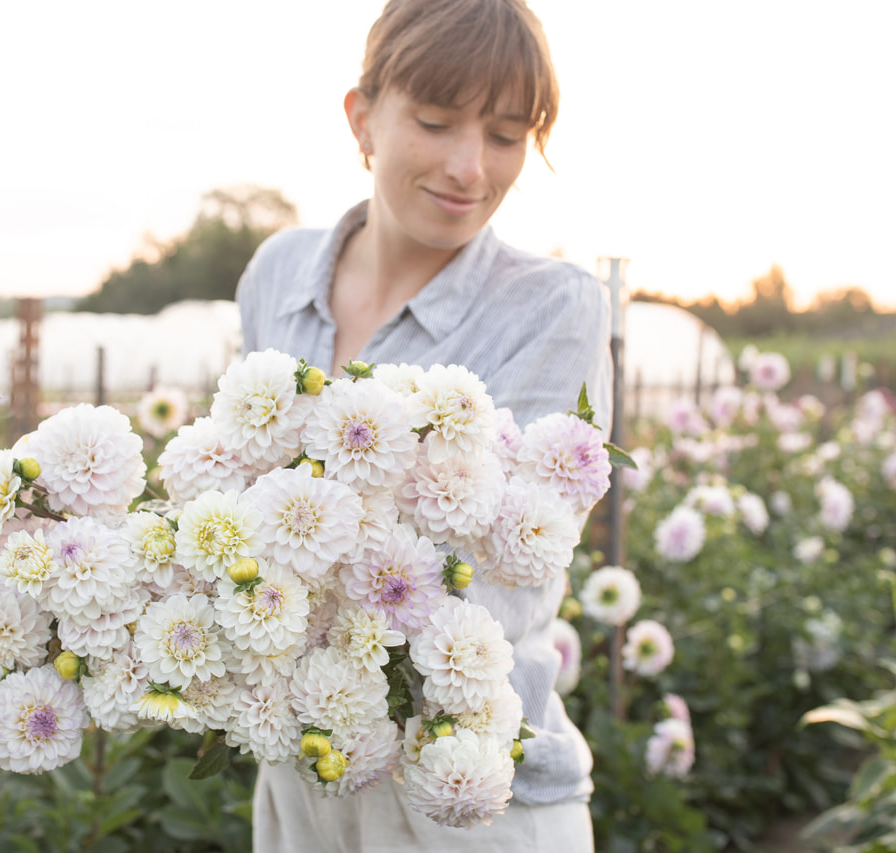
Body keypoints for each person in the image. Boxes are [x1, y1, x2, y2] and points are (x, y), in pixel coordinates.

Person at [235, 0, 612, 850]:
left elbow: (486, 590)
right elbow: (228, 480)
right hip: (300, 778)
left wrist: (256, 572)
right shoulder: (277, 274)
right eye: (437, 122)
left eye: (508, 135)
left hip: (466, 795)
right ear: (362, 116)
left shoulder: (551, 309)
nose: (470, 168)